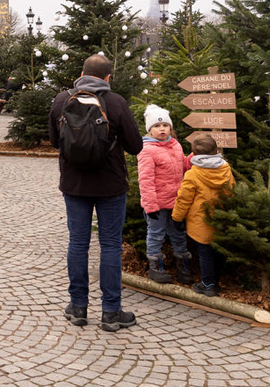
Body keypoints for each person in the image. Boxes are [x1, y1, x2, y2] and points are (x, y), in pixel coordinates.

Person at [49, 54, 142, 332]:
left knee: (78, 243)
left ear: (81, 73)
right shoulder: (116, 102)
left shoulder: (61, 100)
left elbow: (55, 142)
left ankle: (78, 307)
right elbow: (136, 146)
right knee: (110, 245)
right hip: (110, 185)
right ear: (108, 78)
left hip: (74, 185)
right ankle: (111, 312)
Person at [172, 134, 235, 298]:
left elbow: (183, 199)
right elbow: (232, 192)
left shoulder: (193, 174)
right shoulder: (225, 169)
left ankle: (208, 285)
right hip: (221, 219)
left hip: (201, 223)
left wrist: (177, 218)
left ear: (194, 154)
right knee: (217, 253)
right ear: (216, 151)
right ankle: (216, 282)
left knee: (205, 255)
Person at [137, 104, 193, 284]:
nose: (162, 129)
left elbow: (182, 168)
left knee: (178, 233)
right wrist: (150, 206)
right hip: (157, 204)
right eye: (157, 126)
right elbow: (145, 180)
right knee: (156, 234)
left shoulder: (175, 145)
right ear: (150, 130)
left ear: (170, 127)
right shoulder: (146, 150)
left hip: (177, 201)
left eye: (165, 125)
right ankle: (155, 267)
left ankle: (182, 265)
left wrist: (192, 159)